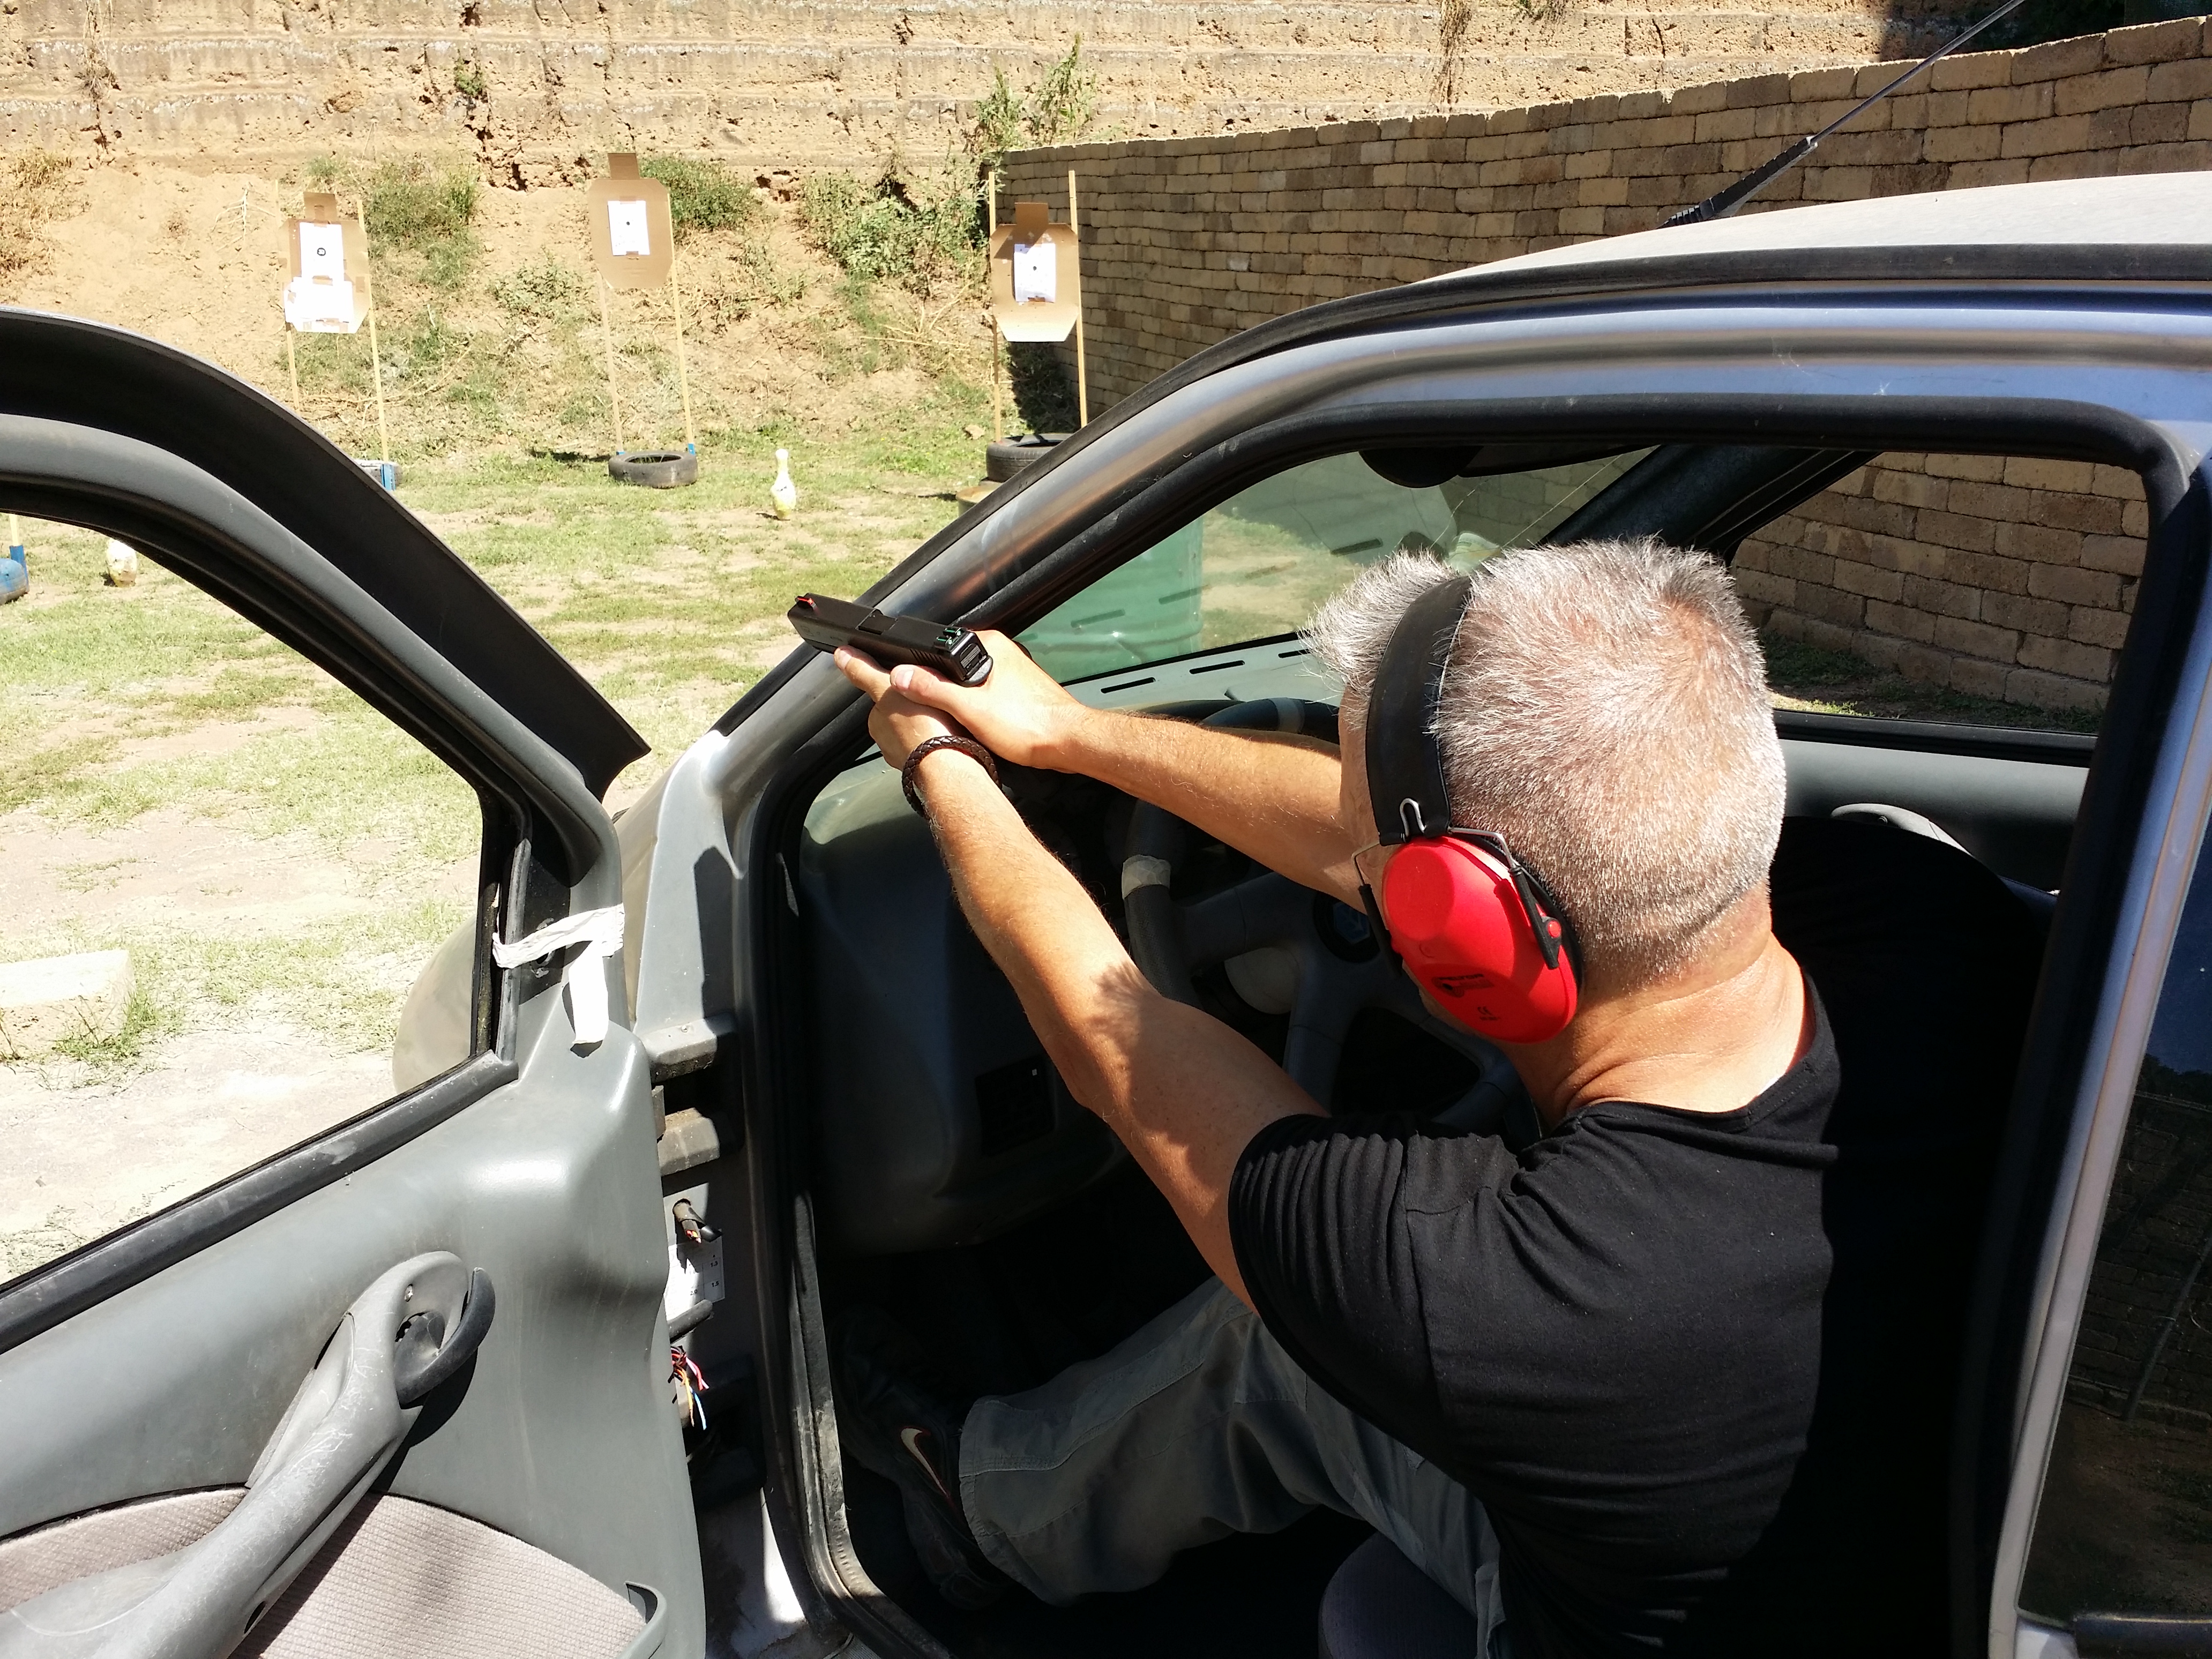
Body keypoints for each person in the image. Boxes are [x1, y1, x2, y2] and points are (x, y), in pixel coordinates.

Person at [830, 540, 2042, 1657]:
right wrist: (1072, 735)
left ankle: (980, 1512)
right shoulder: (1922, 911)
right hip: (1900, 1551)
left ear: (1467, 933)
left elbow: (1113, 1036)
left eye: (1377, 867)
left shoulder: (1507, 1294)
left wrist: (940, 764)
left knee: (1279, 1349)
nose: (1352, 869)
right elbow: (1402, 865)